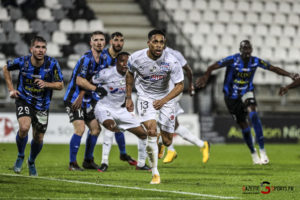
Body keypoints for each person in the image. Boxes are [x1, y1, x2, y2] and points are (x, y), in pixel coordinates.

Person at [195, 40, 297, 165]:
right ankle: (254, 154)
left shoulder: (255, 61)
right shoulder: (232, 60)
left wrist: (289, 74)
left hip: (246, 92)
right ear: (240, 50)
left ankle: (263, 151)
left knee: (253, 114)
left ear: (252, 50)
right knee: (244, 126)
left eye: (249, 48)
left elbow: (273, 68)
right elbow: (212, 67)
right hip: (231, 97)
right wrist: (206, 77)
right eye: (244, 48)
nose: (247, 51)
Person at [126, 29, 184, 184]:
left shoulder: (171, 61)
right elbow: (129, 74)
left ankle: (161, 142)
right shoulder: (135, 58)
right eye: (155, 42)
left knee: (167, 141)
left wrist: (164, 100)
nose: (159, 46)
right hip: (145, 97)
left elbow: (179, 85)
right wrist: (128, 97)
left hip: (166, 98)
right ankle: (155, 173)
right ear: (148, 43)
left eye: (162, 42)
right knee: (151, 129)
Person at [2, 36, 64, 176]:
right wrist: (11, 89)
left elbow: (60, 85)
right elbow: (6, 68)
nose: (41, 50)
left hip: (42, 105)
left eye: (43, 47)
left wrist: (47, 84)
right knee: (24, 127)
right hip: (24, 99)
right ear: (31, 49)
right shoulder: (23, 61)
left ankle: (31, 161)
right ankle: (20, 155)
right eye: (37, 47)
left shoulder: (52, 63)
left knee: (38, 137)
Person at [92, 52, 151, 172]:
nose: (125, 64)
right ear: (117, 62)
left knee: (143, 134)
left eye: (127, 62)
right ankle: (104, 163)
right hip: (104, 107)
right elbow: (91, 81)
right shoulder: (106, 73)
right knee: (110, 127)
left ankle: (140, 164)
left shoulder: (133, 74)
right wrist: (95, 93)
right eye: (122, 61)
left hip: (121, 109)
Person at [64, 31, 107, 171]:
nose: (99, 42)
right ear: (91, 43)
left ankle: (88, 160)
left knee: (95, 129)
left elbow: (94, 78)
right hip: (74, 99)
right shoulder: (86, 59)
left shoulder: (103, 59)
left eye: (101, 39)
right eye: (96, 40)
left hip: (87, 100)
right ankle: (72, 163)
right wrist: (95, 89)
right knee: (80, 128)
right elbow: (80, 80)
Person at [158, 47, 210, 164]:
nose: (158, 44)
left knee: (162, 119)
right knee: (174, 126)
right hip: (162, 94)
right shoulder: (150, 55)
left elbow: (188, 69)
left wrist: (191, 85)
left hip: (173, 92)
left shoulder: (174, 54)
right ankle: (202, 144)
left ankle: (169, 149)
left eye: (160, 41)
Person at [98, 32, 137, 172]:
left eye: (121, 40)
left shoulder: (125, 60)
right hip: (102, 100)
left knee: (118, 127)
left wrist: (127, 98)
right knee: (95, 129)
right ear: (110, 42)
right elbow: (94, 77)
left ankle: (123, 153)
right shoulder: (103, 57)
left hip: (117, 100)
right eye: (116, 40)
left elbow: (129, 80)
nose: (119, 43)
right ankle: (91, 159)